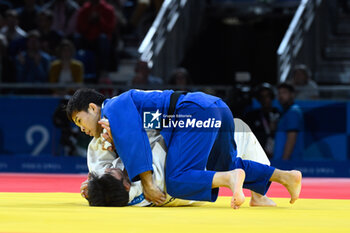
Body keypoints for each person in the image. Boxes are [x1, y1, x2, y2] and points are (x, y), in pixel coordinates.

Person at [66, 88, 300, 207]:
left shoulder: (113, 108)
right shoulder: (114, 120)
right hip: (212, 107)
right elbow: (138, 137)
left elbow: (135, 141)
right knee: (222, 166)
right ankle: (285, 177)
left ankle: (232, 179)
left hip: (191, 113)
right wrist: (96, 182)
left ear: (93, 108)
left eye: (79, 121)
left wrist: (147, 184)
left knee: (177, 180)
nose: (82, 129)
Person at [80, 118, 281, 207]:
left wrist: (96, 189)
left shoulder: (118, 194)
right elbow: (150, 139)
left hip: (191, 184)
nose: (110, 168)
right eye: (110, 172)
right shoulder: (150, 182)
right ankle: (260, 194)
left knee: (231, 151)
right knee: (238, 129)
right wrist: (120, 137)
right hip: (194, 171)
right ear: (125, 185)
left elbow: (104, 171)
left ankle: (271, 182)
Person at [244, 83, 280, 158]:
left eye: (267, 96)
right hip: (257, 154)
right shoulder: (251, 115)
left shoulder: (278, 113)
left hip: (276, 152)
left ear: (272, 97)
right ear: (258, 99)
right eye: (262, 97)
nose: (265, 99)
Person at [274, 83, 304, 161]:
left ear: (292, 95)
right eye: (279, 93)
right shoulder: (286, 113)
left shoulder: (293, 112)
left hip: (289, 163)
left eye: (284, 92)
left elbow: (291, 137)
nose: (281, 96)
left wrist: (284, 161)